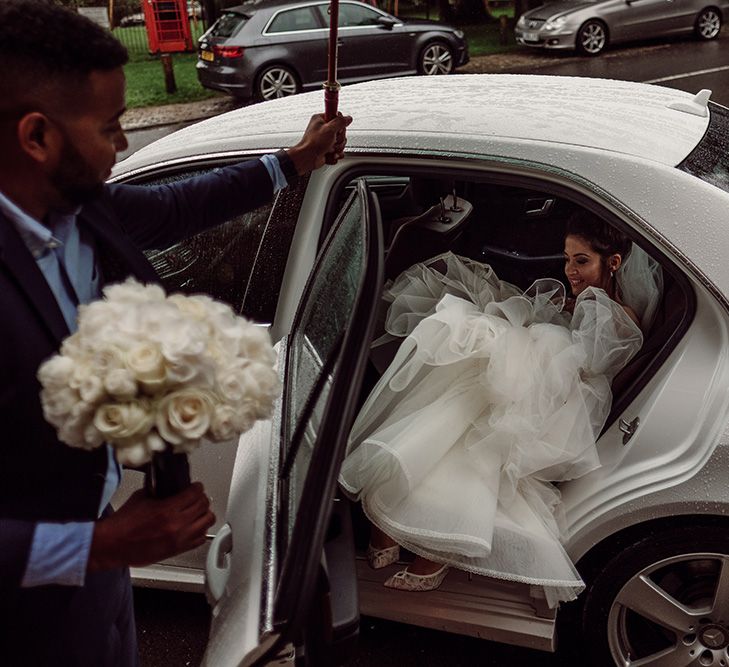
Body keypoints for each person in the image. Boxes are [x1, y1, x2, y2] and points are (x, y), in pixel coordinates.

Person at [0, 1, 351, 664]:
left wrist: (295, 161)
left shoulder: (80, 205)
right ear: (37, 137)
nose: (123, 145)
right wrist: (94, 546)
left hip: (104, 563)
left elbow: (176, 205)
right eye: (110, 127)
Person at [339, 211, 661, 606]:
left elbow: (585, 371)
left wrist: (524, 353)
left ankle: (431, 551)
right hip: (545, 390)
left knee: (468, 422)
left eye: (582, 261)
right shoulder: (590, 300)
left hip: (563, 411)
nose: (570, 271)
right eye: (567, 258)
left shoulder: (617, 315)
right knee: (459, 389)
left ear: (612, 263)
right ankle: (401, 530)